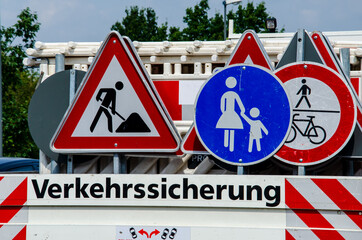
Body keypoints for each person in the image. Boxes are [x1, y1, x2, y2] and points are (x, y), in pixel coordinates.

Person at [216, 77, 245, 152]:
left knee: (229, 128)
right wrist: (242, 109)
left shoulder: (226, 94)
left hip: (228, 113)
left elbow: (222, 104)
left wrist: (223, 112)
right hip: (231, 113)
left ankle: (228, 146)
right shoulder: (233, 94)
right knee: (231, 128)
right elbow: (239, 103)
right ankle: (228, 146)